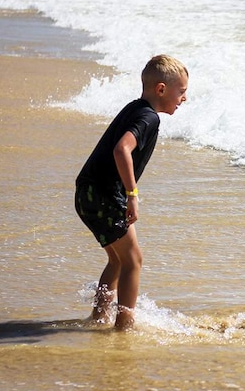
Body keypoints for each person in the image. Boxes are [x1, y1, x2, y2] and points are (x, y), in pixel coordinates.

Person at [74, 54, 189, 329]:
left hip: (87, 191)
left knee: (117, 259)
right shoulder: (149, 118)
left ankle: (99, 316)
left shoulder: (135, 108)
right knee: (134, 260)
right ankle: (124, 325)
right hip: (105, 194)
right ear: (161, 89)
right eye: (181, 92)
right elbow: (122, 149)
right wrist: (132, 194)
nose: (184, 98)